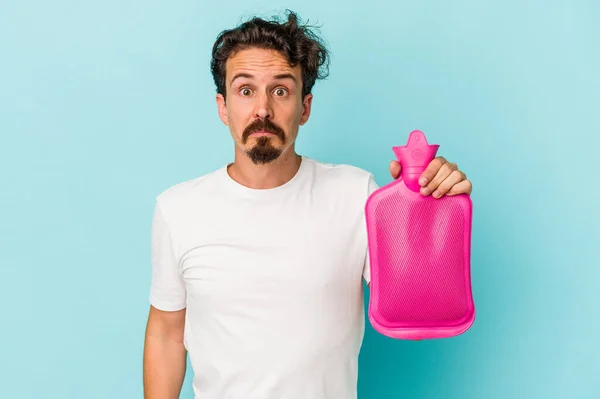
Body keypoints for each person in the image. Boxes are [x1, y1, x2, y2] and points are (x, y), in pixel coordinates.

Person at [142, 10, 472, 399]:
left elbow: (415, 318)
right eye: (245, 90)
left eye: (280, 90)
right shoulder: (178, 209)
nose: (262, 109)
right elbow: (166, 333)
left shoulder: (355, 194)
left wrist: (426, 209)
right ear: (222, 107)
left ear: (304, 107)